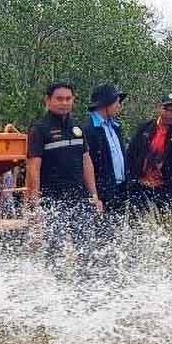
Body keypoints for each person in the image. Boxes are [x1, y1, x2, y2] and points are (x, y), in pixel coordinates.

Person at [26, 83, 104, 261]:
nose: (64, 103)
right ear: (48, 100)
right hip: (52, 201)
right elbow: (33, 169)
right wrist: (35, 204)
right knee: (55, 251)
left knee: (86, 249)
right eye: (59, 99)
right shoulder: (40, 130)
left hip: (79, 198)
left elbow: (86, 162)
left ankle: (84, 285)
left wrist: (94, 196)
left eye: (68, 99)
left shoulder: (77, 128)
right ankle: (55, 285)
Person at [126, 93, 172, 215]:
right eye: (166, 109)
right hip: (141, 189)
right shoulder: (145, 127)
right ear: (158, 108)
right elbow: (131, 154)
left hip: (166, 191)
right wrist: (131, 179)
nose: (169, 114)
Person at [83, 83, 130, 247]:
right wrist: (95, 196)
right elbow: (89, 166)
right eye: (117, 102)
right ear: (106, 103)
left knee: (118, 240)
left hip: (119, 191)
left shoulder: (116, 127)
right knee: (101, 241)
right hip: (102, 194)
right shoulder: (89, 130)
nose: (119, 106)